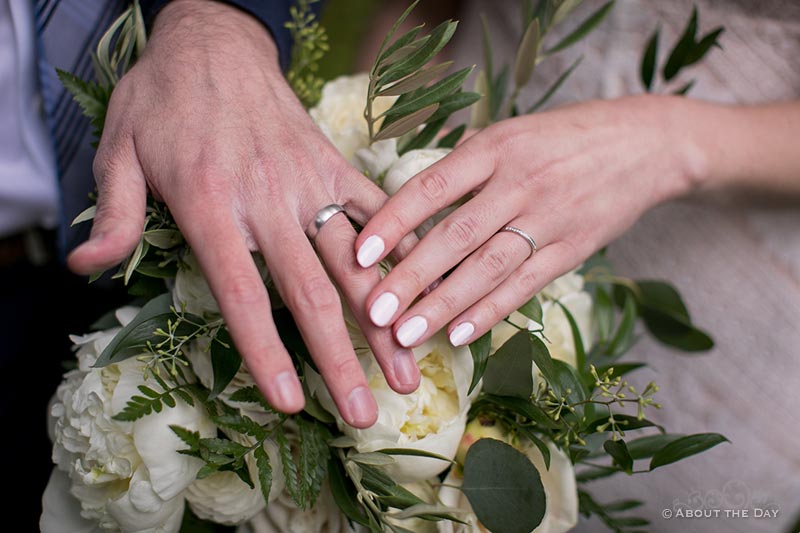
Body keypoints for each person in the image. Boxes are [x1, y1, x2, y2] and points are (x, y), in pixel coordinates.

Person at [355, 0, 800, 530]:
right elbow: (424, 9)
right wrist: (365, 151)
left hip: (721, 311)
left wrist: (664, 142)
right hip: (446, 169)